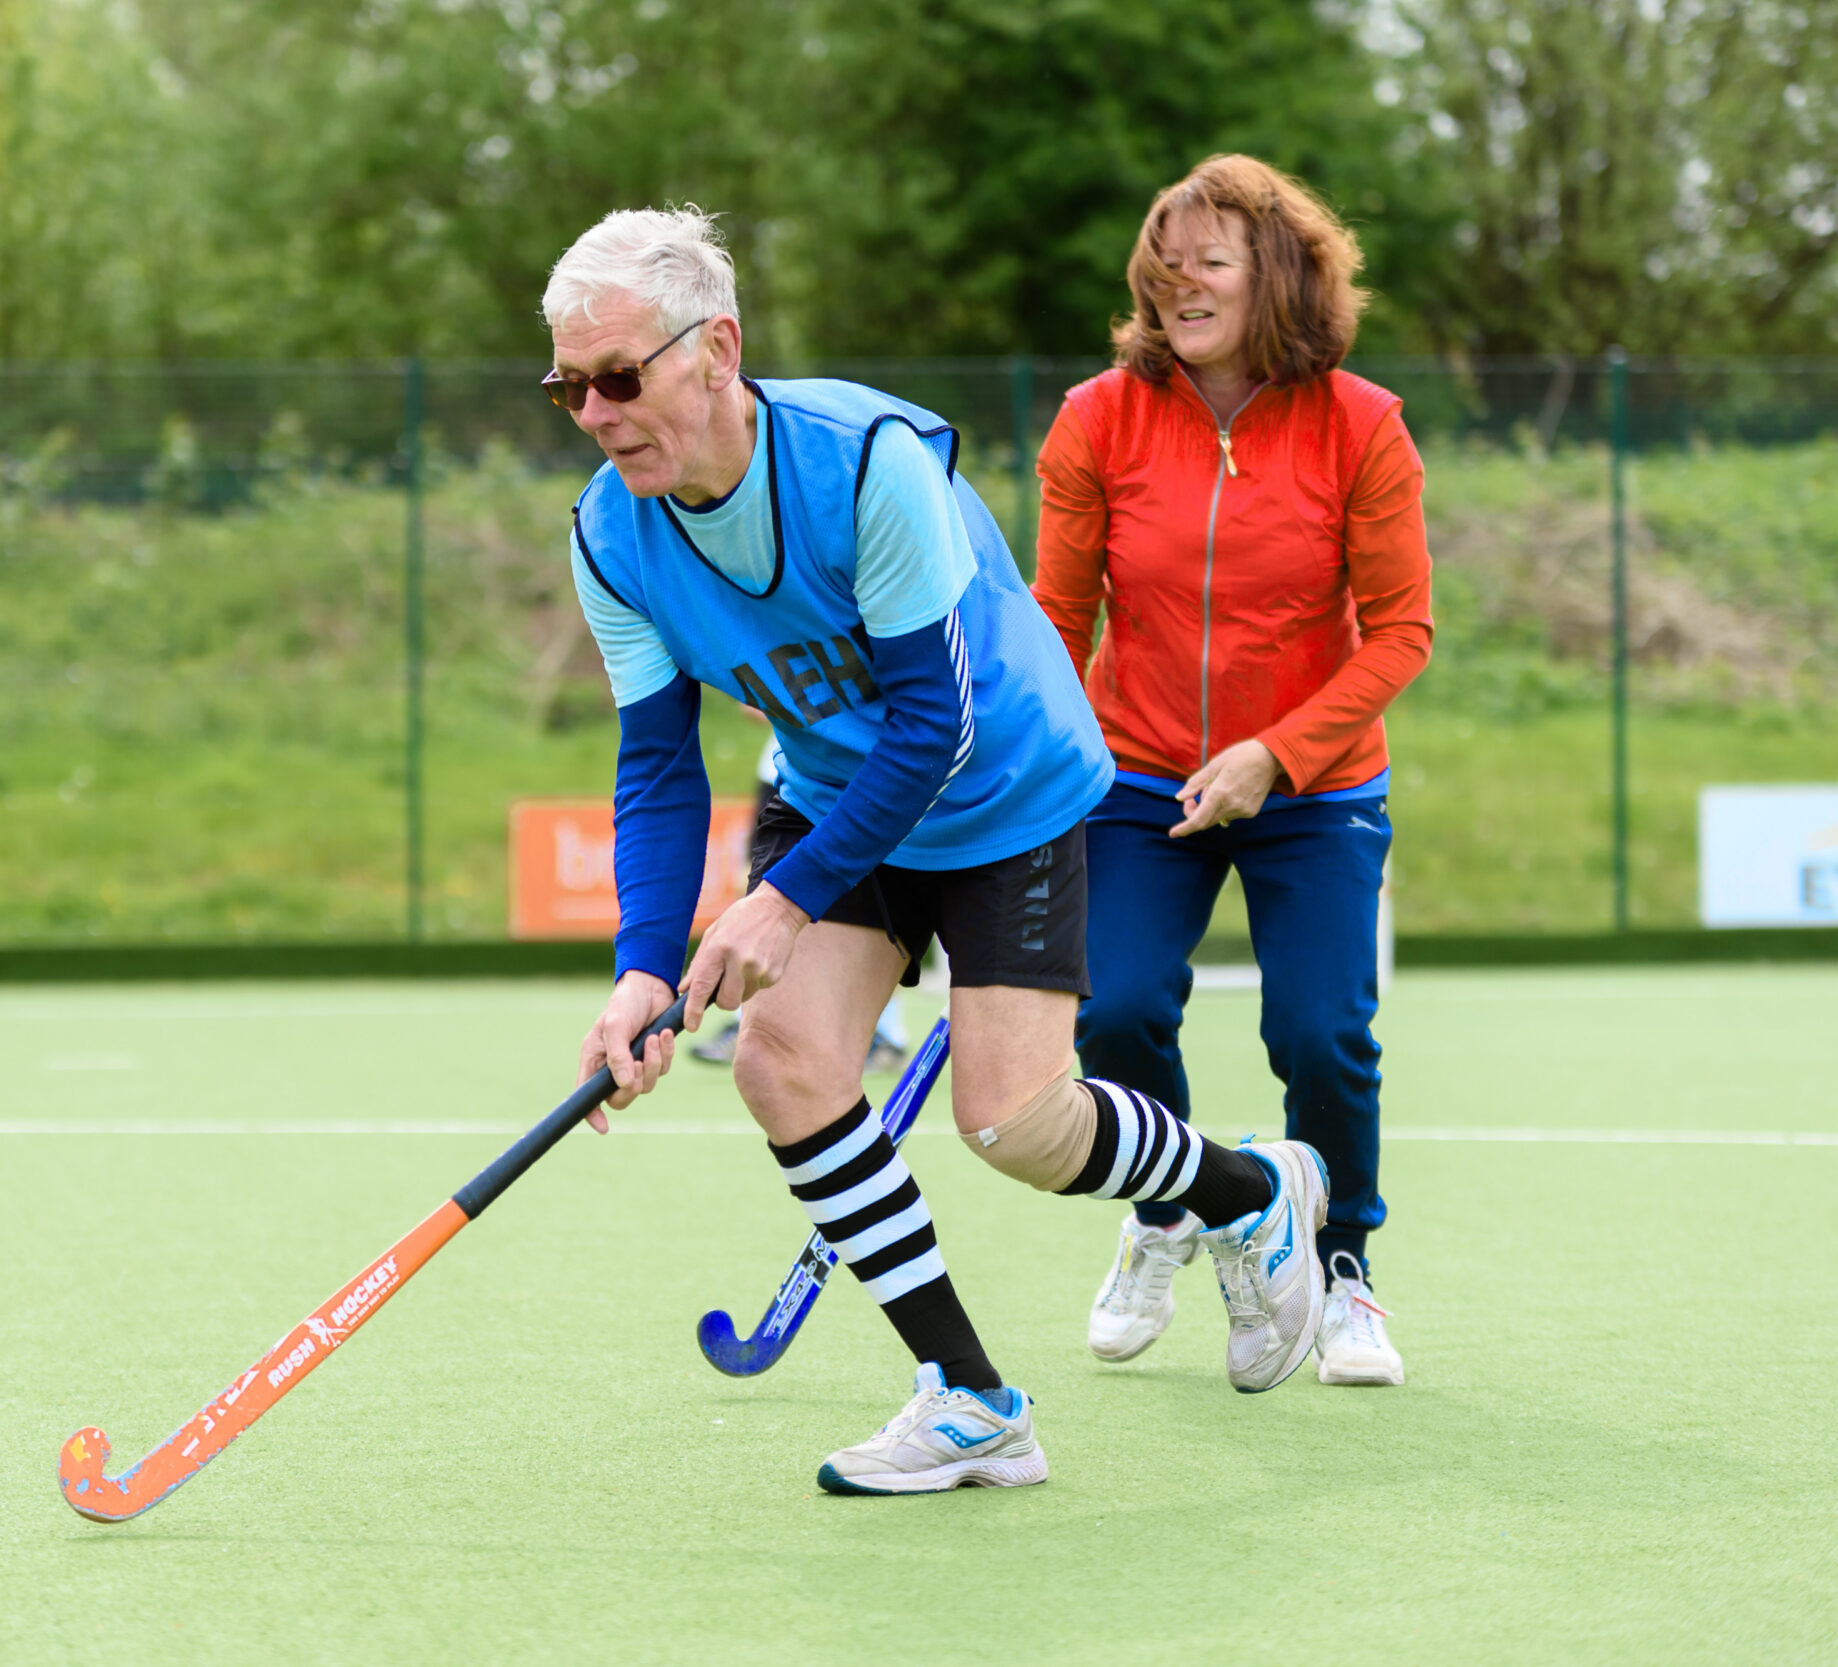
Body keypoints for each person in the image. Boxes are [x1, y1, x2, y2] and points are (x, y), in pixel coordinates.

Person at [548, 205, 1333, 1495]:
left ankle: (1248, 1188)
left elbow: (935, 722)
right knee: (787, 1065)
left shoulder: (866, 464)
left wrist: (779, 900)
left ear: (715, 349)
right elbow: (656, 765)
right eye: (569, 386)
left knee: (1015, 1122)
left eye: (619, 376)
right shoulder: (608, 536)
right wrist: (643, 965)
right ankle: (972, 1399)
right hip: (839, 785)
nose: (594, 410)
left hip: (999, 781)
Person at [1032, 155, 1431, 1387]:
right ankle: (1173, 1206)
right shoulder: (1096, 415)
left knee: (1321, 1030)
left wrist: (1277, 752)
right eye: (1164, 259)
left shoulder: (1361, 422)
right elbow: (1055, 614)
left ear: (1280, 277)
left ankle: (1345, 1263)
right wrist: (1048, 754)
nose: (1178, 279)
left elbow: (1402, 631)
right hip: (1135, 779)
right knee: (1113, 1009)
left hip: (1313, 786)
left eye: (1211, 257)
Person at [691, 727, 913, 1072]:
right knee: (754, 892)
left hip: (850, 769)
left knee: (871, 897)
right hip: (785, 769)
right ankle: (744, 1019)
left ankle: (887, 1033)